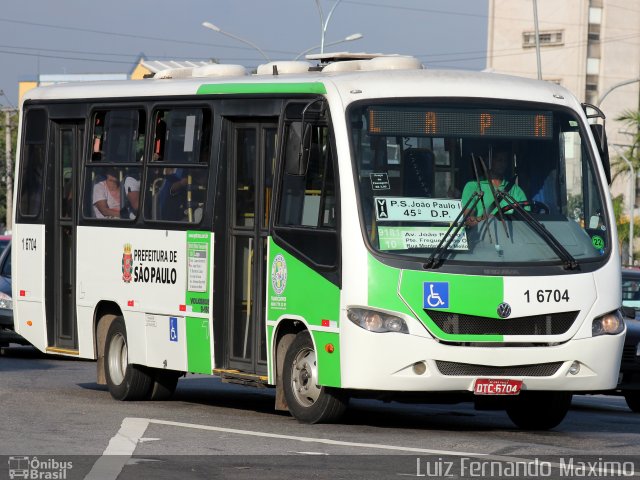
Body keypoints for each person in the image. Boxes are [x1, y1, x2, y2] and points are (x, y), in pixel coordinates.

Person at [460, 148, 528, 227]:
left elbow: (526, 219)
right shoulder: (473, 186)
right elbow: (468, 220)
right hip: (484, 237)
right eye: (499, 160)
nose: (503, 164)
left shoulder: (516, 190)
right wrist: (488, 218)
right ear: (488, 161)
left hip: (516, 237)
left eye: (505, 161)